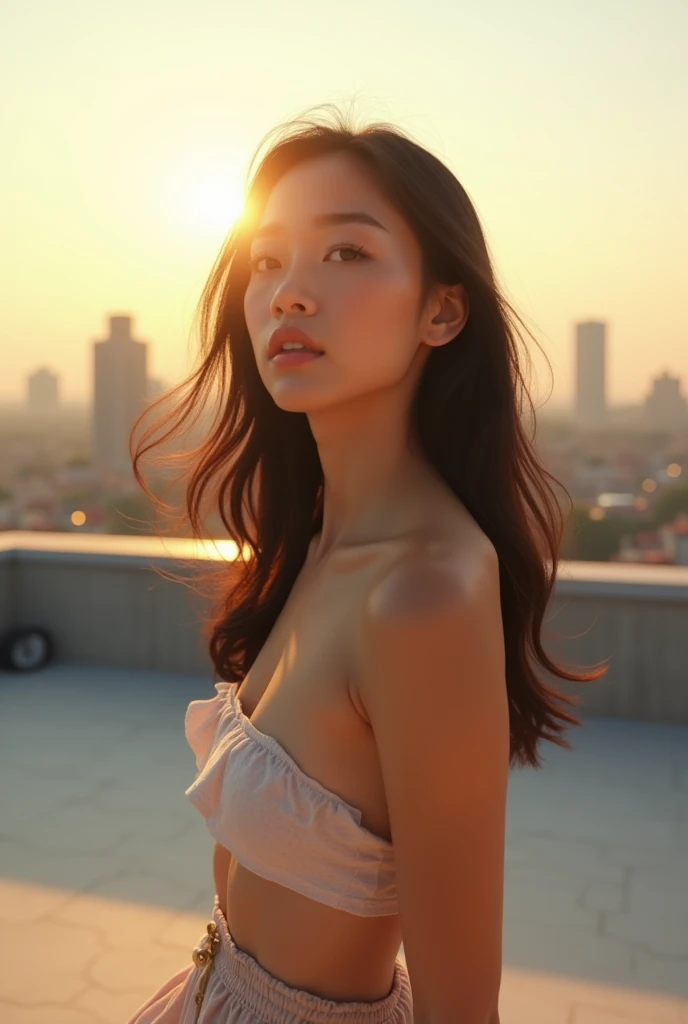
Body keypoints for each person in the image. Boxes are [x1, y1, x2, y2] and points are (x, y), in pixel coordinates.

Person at [128, 102, 606, 1024]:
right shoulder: (315, 538)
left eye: (345, 254)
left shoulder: (423, 594)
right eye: (267, 260)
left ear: (442, 309)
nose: (289, 293)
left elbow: (463, 1003)